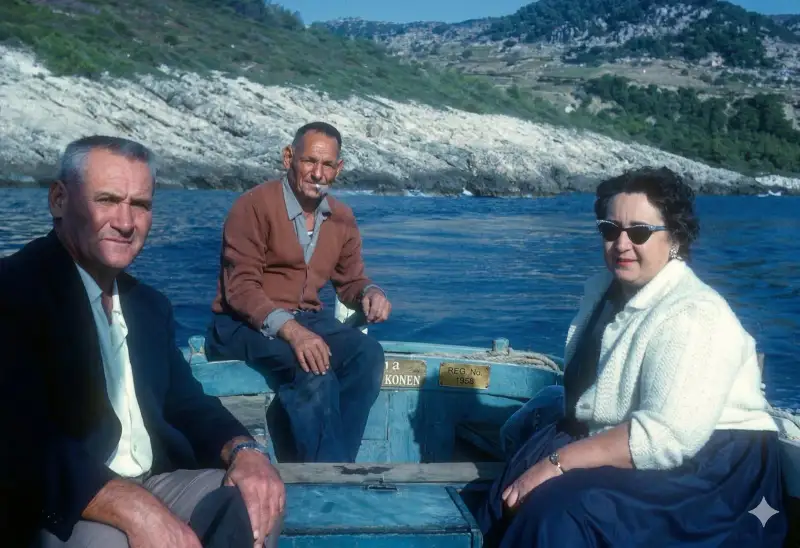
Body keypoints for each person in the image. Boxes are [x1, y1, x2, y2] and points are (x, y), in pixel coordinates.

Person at [476, 167, 787, 547]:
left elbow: (667, 437)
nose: (621, 244)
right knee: (508, 488)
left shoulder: (692, 314)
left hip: (711, 467)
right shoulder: (605, 294)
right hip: (633, 436)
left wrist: (557, 463)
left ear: (673, 238)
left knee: (560, 510)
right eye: (610, 230)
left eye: (639, 232)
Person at [0, 136, 284, 548]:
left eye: (141, 205)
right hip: (57, 495)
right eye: (107, 200)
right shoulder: (14, 292)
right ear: (59, 200)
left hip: (152, 478)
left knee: (257, 500)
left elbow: (187, 403)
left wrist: (246, 451)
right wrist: (131, 506)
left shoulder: (148, 306)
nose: (126, 221)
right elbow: (20, 436)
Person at [205, 122, 391, 463]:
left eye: (327, 165)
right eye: (309, 162)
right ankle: (326, 480)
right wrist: (293, 333)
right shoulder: (252, 206)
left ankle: (334, 465)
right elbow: (241, 288)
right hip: (239, 323)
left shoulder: (342, 217)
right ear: (289, 157)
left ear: (339, 168)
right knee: (313, 367)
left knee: (367, 356)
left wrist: (370, 291)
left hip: (305, 318)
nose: (317, 173)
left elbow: (350, 281)